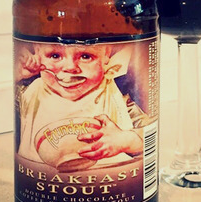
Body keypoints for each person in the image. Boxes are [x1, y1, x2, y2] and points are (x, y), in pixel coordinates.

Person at [15, 42, 151, 166]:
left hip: (114, 178)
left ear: (106, 54)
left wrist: (127, 141)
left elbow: (149, 132)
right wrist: (17, 74)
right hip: (44, 179)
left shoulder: (117, 97)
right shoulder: (27, 94)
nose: (70, 67)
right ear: (37, 52)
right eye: (55, 56)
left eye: (85, 56)